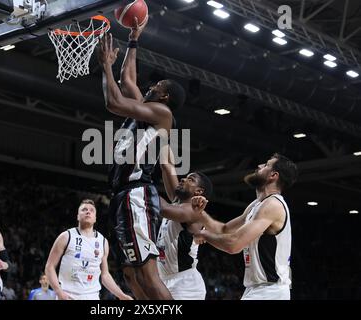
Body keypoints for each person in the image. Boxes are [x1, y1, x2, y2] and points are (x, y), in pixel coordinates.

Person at [98, 16, 186, 300]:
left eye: (157, 84)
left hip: (138, 193)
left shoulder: (162, 115)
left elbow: (114, 102)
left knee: (147, 273)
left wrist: (105, 67)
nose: (151, 86)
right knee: (130, 274)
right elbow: (128, 79)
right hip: (122, 194)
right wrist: (134, 39)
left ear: (166, 95)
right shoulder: (145, 108)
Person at [194, 153, 298, 300]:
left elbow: (233, 244)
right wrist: (199, 212)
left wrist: (204, 235)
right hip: (258, 289)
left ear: (273, 175)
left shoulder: (273, 205)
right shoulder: (256, 205)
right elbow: (224, 229)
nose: (259, 166)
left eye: (266, 165)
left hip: (270, 290)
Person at [45, 199, 133, 300]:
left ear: (95, 218)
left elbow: (105, 275)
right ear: (78, 216)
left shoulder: (103, 242)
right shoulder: (66, 236)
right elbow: (49, 267)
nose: (88, 211)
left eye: (91, 210)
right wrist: (59, 292)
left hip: (92, 296)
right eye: (84, 209)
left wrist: (122, 296)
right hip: (67, 295)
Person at [157, 160, 213, 299]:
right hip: (165, 279)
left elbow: (161, 208)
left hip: (185, 284)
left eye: (190, 179)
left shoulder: (193, 211)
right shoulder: (177, 204)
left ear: (198, 191)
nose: (183, 179)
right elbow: (166, 165)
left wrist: (141, 186)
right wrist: (163, 139)